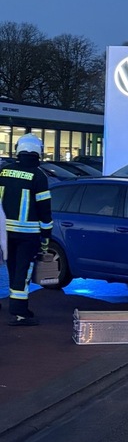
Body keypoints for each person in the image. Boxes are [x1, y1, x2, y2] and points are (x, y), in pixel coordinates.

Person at [0, 134, 52, 326]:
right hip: (27, 234)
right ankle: (20, 313)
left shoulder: (4, 171)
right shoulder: (39, 176)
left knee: (11, 268)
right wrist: (46, 235)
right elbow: (44, 208)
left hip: (3, 232)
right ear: (38, 151)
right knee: (22, 272)